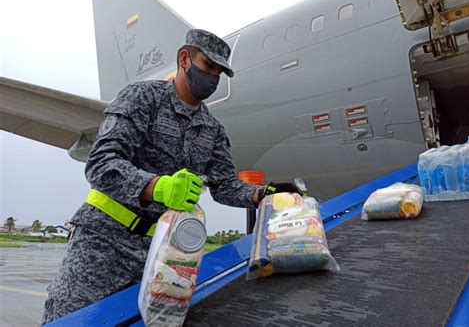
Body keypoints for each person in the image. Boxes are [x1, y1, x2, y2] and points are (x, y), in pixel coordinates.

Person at [42, 29, 302, 324]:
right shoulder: (142, 98)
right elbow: (100, 163)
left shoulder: (212, 129)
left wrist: (262, 194)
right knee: (73, 320)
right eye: (208, 66)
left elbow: (225, 186)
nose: (214, 78)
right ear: (184, 59)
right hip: (103, 244)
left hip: (163, 254)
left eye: (219, 72)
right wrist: (158, 187)